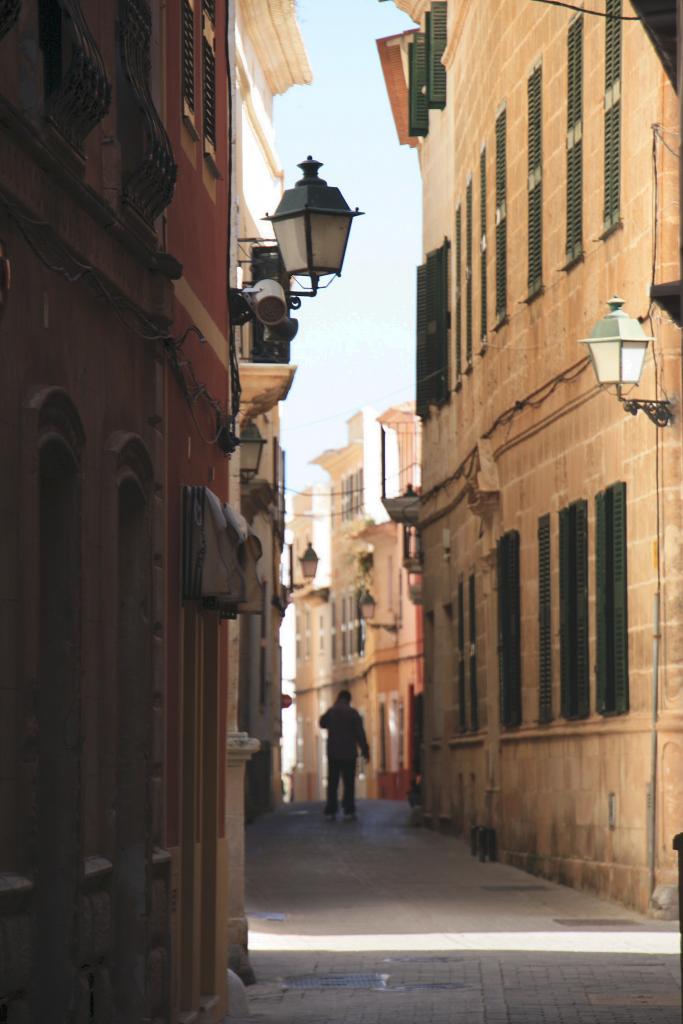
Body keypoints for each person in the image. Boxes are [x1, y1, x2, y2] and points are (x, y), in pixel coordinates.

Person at [319, 689, 370, 821]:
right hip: (349, 754)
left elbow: (322, 723)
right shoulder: (353, 713)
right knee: (349, 783)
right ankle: (349, 809)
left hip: (334, 753)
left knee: (333, 783)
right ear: (349, 700)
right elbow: (360, 733)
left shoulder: (332, 712)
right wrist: (365, 750)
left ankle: (331, 809)